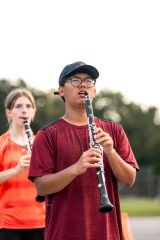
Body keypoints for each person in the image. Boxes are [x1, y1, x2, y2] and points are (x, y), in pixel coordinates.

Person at [28, 61, 139, 240]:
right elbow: (41, 187)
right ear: (61, 90)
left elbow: (129, 179)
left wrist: (110, 152)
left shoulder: (114, 130)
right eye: (75, 80)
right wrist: (76, 168)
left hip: (107, 233)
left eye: (89, 81)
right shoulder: (47, 134)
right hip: (64, 233)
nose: (83, 85)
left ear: (94, 91)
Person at [0, 88, 45, 240]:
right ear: (9, 112)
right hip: (8, 222)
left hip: (41, 220)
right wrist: (17, 169)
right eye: (18, 106)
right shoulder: (1, 143)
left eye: (28, 106)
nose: (24, 110)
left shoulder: (43, 143)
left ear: (33, 112)